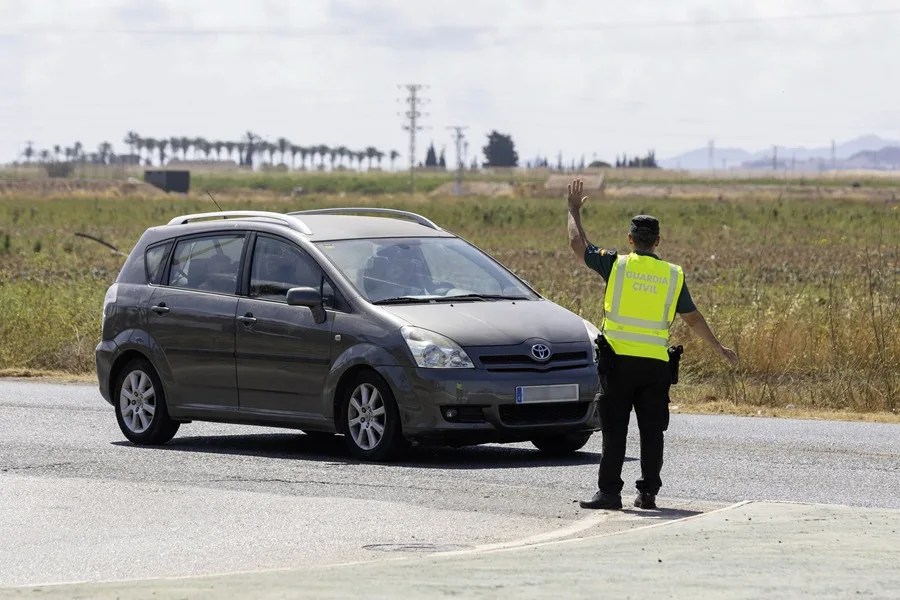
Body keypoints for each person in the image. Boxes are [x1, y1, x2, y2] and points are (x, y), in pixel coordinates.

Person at [566, 178, 738, 510]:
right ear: (658, 241)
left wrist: (573, 209)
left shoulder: (617, 264)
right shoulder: (673, 274)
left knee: (614, 432)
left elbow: (578, 244)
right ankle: (648, 494)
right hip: (655, 366)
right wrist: (719, 348)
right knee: (652, 432)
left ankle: (609, 494)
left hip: (617, 365)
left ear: (630, 240)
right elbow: (693, 318)